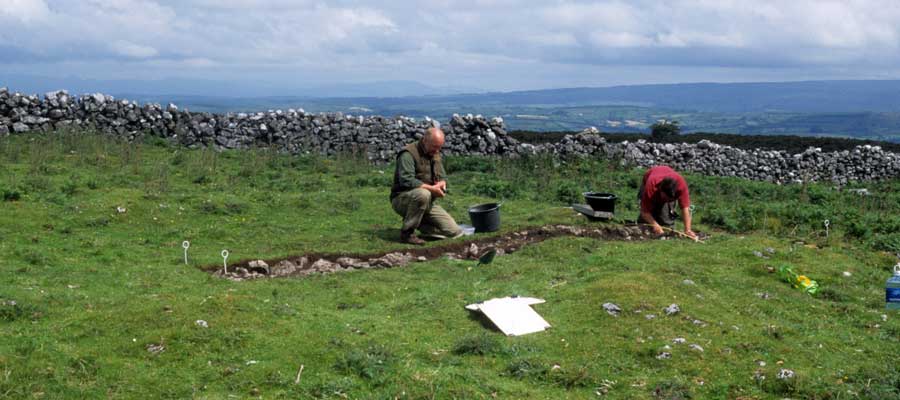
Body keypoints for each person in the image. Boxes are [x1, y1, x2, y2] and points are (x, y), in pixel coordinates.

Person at [390, 126, 463, 245]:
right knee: (423, 193)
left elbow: (443, 176)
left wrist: (442, 183)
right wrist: (432, 189)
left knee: (454, 232)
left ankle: (420, 223)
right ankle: (407, 233)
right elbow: (406, 180)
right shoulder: (408, 154)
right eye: (434, 146)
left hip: (427, 202)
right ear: (424, 140)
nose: (437, 150)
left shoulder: (435, 153)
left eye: (439, 147)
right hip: (402, 199)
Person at [637, 165, 697, 240]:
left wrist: (687, 230)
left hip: (666, 188)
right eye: (665, 197)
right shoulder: (651, 186)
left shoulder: (681, 186)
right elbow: (645, 212)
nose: (666, 200)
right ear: (660, 189)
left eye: (669, 199)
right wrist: (655, 225)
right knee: (645, 224)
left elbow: (685, 208)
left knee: (666, 223)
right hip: (649, 181)